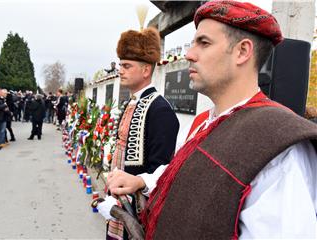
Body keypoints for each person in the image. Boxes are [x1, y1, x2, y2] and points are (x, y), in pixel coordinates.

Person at [103, 1, 317, 239]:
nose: (189, 54)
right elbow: (181, 175)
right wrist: (140, 181)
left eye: (203, 43)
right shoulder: (200, 125)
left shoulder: (280, 150)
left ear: (242, 51)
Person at [98, 27, 180, 240]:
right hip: (119, 204)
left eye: (126, 66)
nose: (120, 70)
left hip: (139, 213)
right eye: (120, 65)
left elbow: (161, 170)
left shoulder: (160, 110)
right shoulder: (132, 102)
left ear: (146, 70)